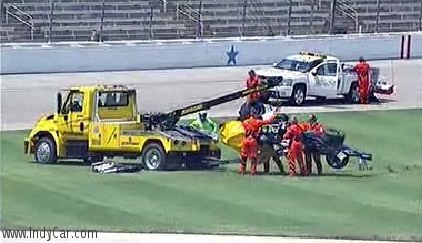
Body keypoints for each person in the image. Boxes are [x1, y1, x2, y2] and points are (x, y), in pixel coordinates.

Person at [239, 108, 274, 175]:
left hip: (245, 140)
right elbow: (268, 122)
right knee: (254, 156)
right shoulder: (257, 122)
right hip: (253, 140)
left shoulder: (245, 122)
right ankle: (253, 171)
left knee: (244, 156)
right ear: (255, 115)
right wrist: (273, 116)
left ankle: (242, 170)